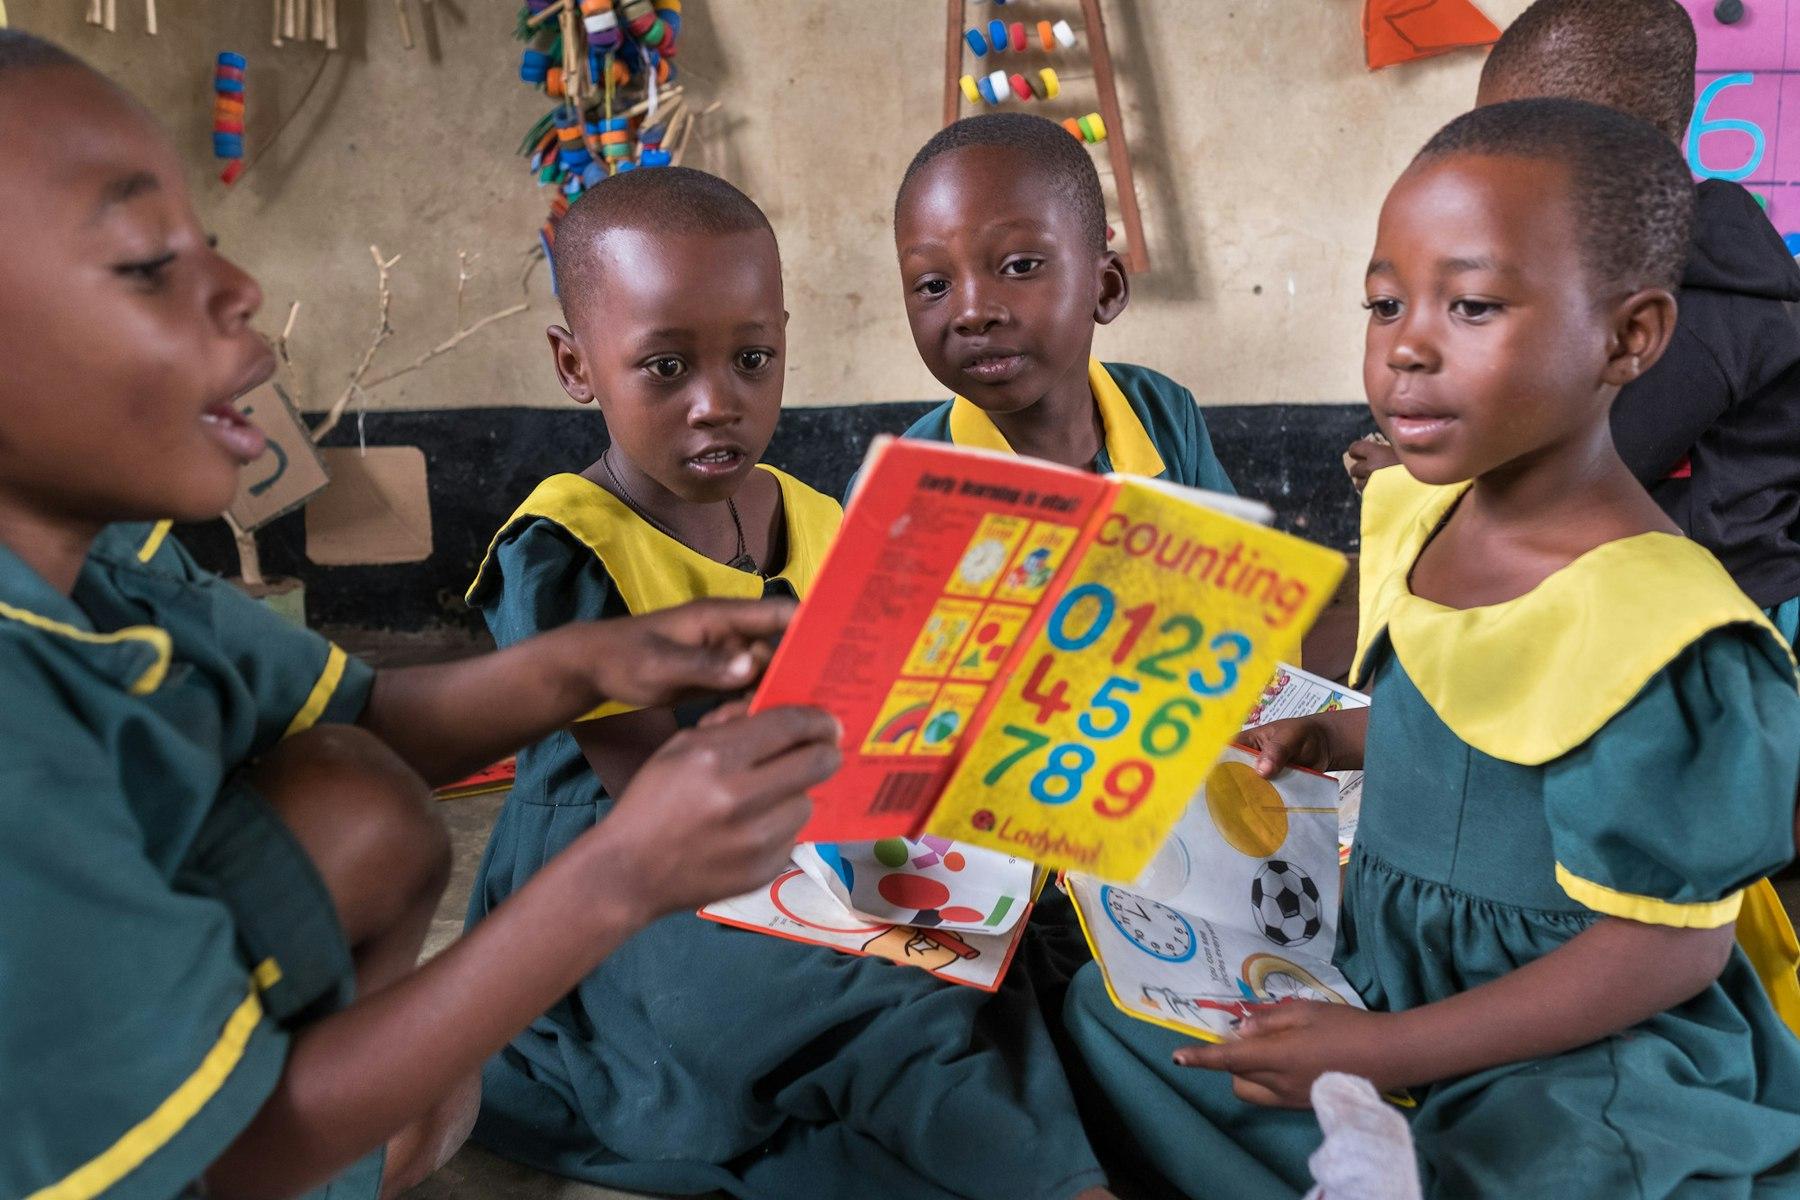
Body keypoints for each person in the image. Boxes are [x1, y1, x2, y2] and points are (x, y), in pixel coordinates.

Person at [0, 33, 840, 1200]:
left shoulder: (118, 571)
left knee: (355, 789)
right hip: (162, 1153)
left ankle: (356, 1139)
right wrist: (618, 876)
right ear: (576, 367)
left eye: (210, 245)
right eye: (148, 262)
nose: (240, 289)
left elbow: (367, 716)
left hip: (231, 1121)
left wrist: (599, 659)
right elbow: (244, 1150)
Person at [1067, 99, 1800, 1198]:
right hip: (1393, 971)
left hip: (1577, 1041)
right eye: (1384, 302)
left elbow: (1667, 950)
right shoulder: (1418, 513)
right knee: (1111, 1017)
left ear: (1629, 337)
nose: (1407, 344)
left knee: (1541, 1167)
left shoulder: (1666, 629)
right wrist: (1337, 732)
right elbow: (1473, 710)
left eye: (1471, 305)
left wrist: (1377, 1055)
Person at [463, 166, 1115, 1200]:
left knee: (1012, 957)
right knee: (866, 999)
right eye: (665, 367)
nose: (717, 404)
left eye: (753, 359)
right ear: (575, 364)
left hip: (819, 827)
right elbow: (660, 796)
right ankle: (1057, 1181)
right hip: (644, 881)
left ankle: (1032, 1156)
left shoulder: (818, 513)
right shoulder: (565, 543)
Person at [1346, 0, 1800, 645]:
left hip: (1728, 614)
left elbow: (1589, 474)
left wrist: (1410, 472)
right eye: (1386, 306)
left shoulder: (1707, 300)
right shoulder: (1591, 277)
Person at [882, 112, 1234, 493]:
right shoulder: (897, 488)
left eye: (1019, 266)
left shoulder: (1162, 414)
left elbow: (1242, 550)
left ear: (1106, 289)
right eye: (934, 286)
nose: (972, 313)